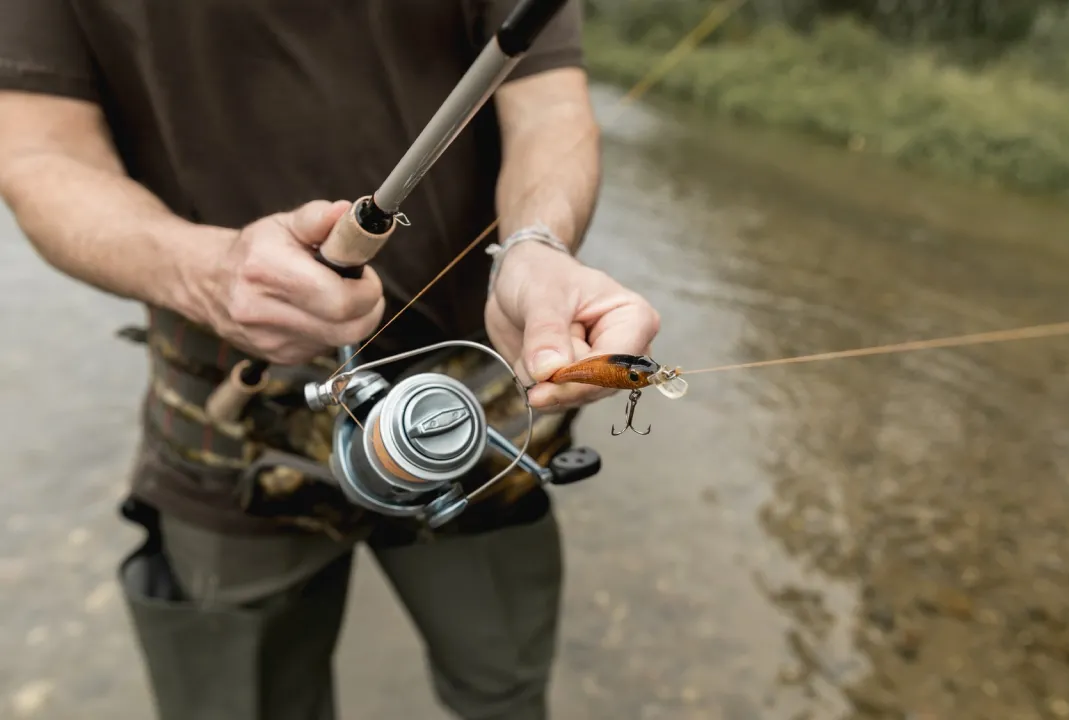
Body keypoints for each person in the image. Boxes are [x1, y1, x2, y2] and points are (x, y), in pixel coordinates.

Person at [0, 1, 661, 719]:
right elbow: (39, 154)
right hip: (226, 423)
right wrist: (206, 271)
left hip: (473, 413)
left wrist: (537, 244)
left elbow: (548, 111)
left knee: (505, 691)